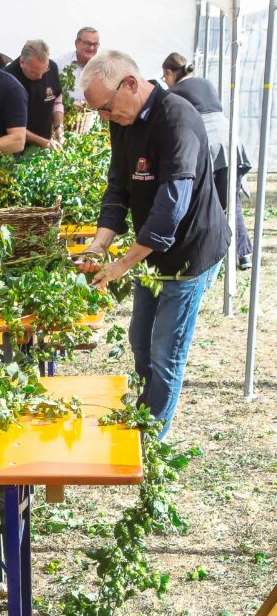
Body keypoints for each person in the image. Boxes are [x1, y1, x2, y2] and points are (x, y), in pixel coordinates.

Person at [75, 50, 230, 441]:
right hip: (150, 253)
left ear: (130, 83)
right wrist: (98, 247)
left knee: (165, 354)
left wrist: (120, 265)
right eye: (100, 113)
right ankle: (145, 417)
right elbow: (118, 188)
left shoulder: (177, 119)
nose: (106, 118)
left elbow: (169, 211)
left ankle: (152, 445)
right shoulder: (122, 121)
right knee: (139, 340)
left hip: (188, 254)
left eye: (106, 108)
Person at [162, 52, 253, 269]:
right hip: (230, 141)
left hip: (207, 144)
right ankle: (243, 256)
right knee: (232, 201)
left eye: (165, 77)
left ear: (168, 73)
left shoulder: (174, 93)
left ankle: (215, 251)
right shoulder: (206, 83)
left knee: (207, 199)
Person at [4, 40, 64, 151]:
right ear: (22, 62)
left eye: (44, 70)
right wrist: (44, 142)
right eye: (35, 72)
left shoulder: (53, 68)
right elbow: (11, 125)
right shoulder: (7, 78)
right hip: (18, 150)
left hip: (45, 144)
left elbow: (57, 100)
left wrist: (58, 127)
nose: (41, 77)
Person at [54, 26, 100, 102]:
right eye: (88, 43)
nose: (91, 48)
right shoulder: (58, 64)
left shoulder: (102, 68)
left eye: (95, 44)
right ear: (76, 43)